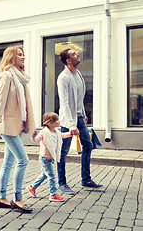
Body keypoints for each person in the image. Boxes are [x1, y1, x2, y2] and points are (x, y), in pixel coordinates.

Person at [0, 45, 36, 213]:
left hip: (15, 126)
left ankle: (1, 197)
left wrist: (30, 125)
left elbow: (23, 105)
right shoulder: (7, 76)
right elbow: (0, 103)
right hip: (6, 126)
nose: (23, 57)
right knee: (23, 160)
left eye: (23, 54)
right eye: (19, 55)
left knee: (8, 163)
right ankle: (17, 198)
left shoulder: (20, 77)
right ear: (11, 57)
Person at [56, 49, 103, 194]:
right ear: (68, 60)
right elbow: (64, 102)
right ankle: (62, 183)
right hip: (67, 120)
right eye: (74, 54)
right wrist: (71, 124)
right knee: (63, 152)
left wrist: (82, 114)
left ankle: (86, 179)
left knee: (87, 145)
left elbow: (79, 97)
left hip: (79, 118)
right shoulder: (63, 77)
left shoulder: (78, 74)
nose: (78, 55)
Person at [26, 112, 72, 202]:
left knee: (44, 175)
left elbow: (62, 135)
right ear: (50, 123)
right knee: (51, 175)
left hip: (50, 158)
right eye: (57, 120)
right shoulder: (44, 132)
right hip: (44, 158)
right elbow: (36, 140)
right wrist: (33, 135)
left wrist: (70, 133)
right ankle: (53, 194)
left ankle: (32, 187)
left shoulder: (56, 131)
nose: (59, 121)